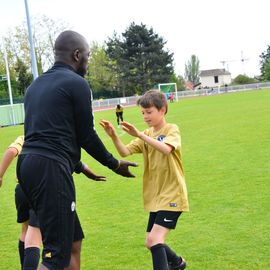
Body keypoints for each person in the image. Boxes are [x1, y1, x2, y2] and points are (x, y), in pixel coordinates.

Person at [16, 30, 137, 270]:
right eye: (88, 57)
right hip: (50, 170)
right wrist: (114, 164)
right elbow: (85, 136)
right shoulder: (77, 84)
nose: (88, 63)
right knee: (56, 256)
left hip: (28, 164)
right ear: (77, 54)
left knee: (73, 241)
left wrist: (80, 167)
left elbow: (48, 135)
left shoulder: (35, 86)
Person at [100, 89, 189, 270]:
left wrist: (141, 135)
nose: (145, 116)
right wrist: (113, 135)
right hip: (156, 196)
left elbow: (166, 149)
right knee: (150, 242)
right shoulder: (147, 133)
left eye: (149, 112)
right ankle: (177, 263)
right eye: (143, 113)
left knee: (155, 239)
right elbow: (124, 152)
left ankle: (176, 263)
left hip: (172, 194)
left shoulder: (172, 129)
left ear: (163, 109)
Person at [0, 135, 108, 269]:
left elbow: (11, 151)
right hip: (42, 189)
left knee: (25, 231)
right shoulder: (50, 138)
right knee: (35, 239)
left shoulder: (26, 137)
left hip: (21, 189)